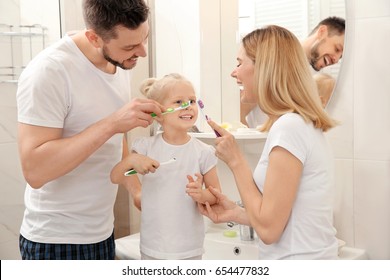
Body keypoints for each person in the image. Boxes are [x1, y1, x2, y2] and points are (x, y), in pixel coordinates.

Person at [16, 0, 164, 260]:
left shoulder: (120, 61)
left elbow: (116, 143)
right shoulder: (50, 71)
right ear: (94, 38)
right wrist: (114, 122)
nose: (142, 52)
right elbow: (35, 171)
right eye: (130, 46)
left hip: (103, 233)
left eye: (145, 38)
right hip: (56, 242)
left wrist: (136, 190)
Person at [198, 25, 339, 259]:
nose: (234, 73)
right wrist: (236, 213)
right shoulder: (300, 124)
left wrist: (236, 161)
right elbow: (284, 219)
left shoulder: (290, 127)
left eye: (239, 63)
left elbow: (269, 231)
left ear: (264, 67)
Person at [110, 73, 221, 260]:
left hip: (189, 251)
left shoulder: (203, 152)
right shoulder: (145, 147)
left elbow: (216, 195)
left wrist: (201, 195)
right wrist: (130, 162)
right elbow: (115, 176)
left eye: (192, 100)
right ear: (157, 114)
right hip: (152, 249)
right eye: (178, 101)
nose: (188, 106)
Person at [241, 16, 345, 127]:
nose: (336, 59)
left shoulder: (315, 79)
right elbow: (240, 112)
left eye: (341, 56)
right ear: (322, 32)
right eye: (337, 49)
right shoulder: (276, 59)